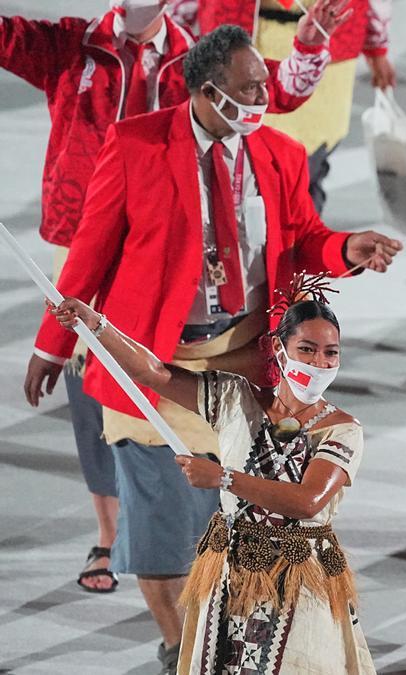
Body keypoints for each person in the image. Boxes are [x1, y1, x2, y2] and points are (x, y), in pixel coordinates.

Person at [22, 25, 400, 674]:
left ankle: (223, 647)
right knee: (160, 541)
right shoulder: (137, 145)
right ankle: (180, 645)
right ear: (207, 92)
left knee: (233, 529)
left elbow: (304, 236)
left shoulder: (278, 152)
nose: (264, 96)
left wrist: (345, 249)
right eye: (250, 87)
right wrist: (52, 347)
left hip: (243, 360)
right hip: (150, 365)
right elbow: (89, 255)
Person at [2, 0, 342, 595]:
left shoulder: (198, 45)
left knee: (221, 488)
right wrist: (50, 346)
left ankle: (194, 586)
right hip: (114, 250)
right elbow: (88, 256)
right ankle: (110, 532)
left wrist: (309, 46)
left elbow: (274, 92)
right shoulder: (73, 46)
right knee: (98, 395)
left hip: (220, 296)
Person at [47, 276, 374, 674]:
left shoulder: (342, 429)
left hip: (298, 577)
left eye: (330, 354)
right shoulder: (235, 398)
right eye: (306, 350)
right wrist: (96, 325)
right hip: (229, 570)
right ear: (279, 348)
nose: (318, 364)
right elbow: (153, 373)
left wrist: (224, 479)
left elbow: (308, 501)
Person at [174, 0, 395, 212]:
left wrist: (377, 44)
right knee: (242, 168)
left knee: (304, 172)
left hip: (326, 46)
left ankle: (300, 242)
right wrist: (176, 32)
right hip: (241, 43)